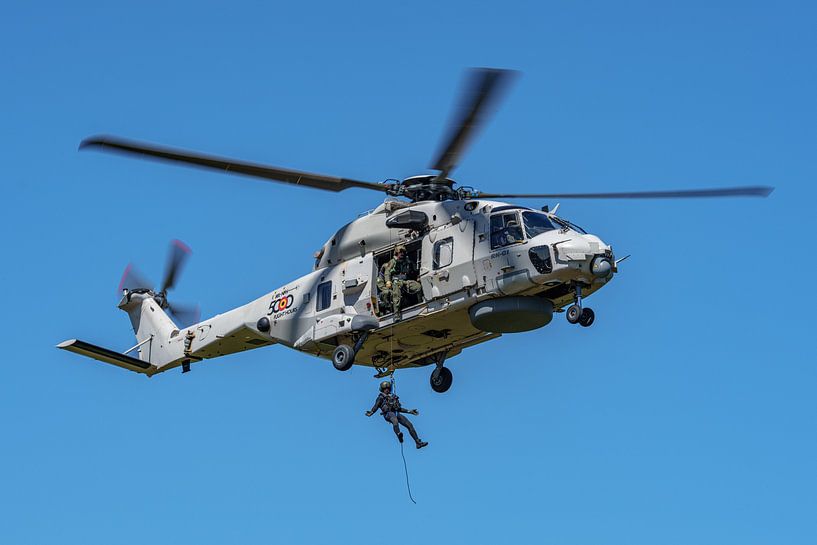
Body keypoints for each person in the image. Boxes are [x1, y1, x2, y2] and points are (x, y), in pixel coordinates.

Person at [366, 380, 428, 449]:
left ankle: (418, 442)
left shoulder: (393, 398)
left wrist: (409, 411)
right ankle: (399, 434)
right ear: (382, 390)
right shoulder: (380, 398)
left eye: (388, 389)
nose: (387, 390)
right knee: (394, 420)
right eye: (385, 389)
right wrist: (371, 412)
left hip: (396, 413)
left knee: (409, 425)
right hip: (388, 414)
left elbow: (399, 409)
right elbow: (376, 406)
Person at [383, 245, 422, 318]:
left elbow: (414, 270)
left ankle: (420, 303)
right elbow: (387, 272)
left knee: (418, 287)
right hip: (396, 282)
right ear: (396, 253)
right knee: (396, 295)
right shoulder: (392, 262)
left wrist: (418, 277)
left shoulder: (407, 261)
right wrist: (388, 281)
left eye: (403, 252)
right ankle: (396, 313)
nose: (402, 254)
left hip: (406, 281)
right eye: (400, 252)